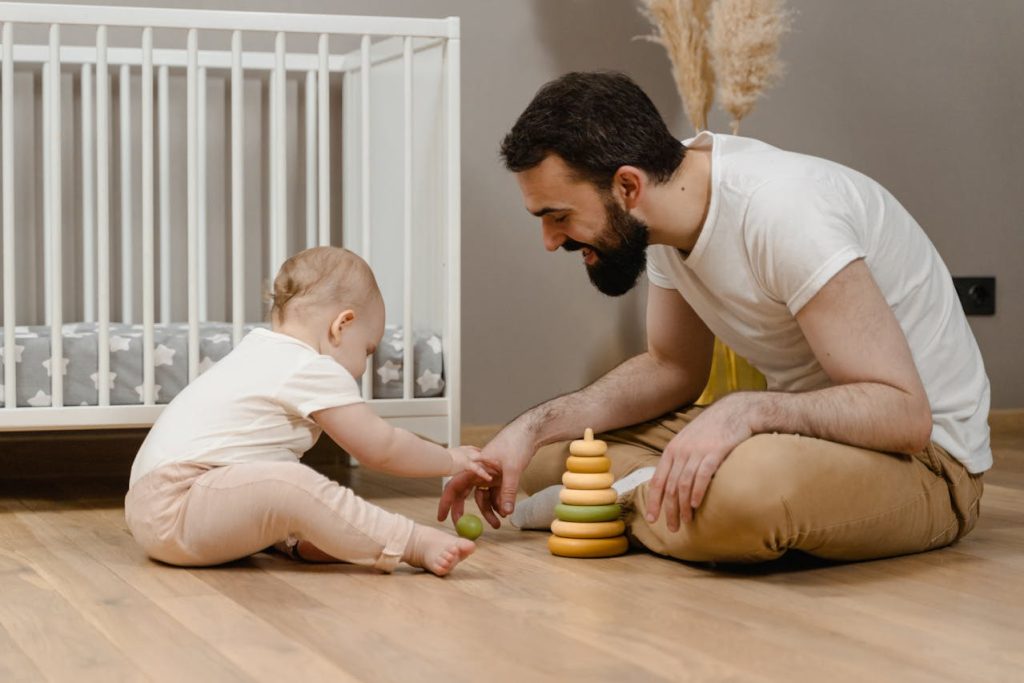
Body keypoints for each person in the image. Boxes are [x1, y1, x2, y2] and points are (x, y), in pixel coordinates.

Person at [439, 71, 991, 564]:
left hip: (926, 461)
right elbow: (670, 367)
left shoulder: (785, 212)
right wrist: (525, 430)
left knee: (739, 497)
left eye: (558, 216)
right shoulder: (661, 212)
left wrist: (745, 412)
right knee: (548, 460)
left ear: (627, 186)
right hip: (812, 433)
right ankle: (640, 495)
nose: (550, 240)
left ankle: (617, 502)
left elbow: (904, 415)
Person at [126, 246, 488, 576]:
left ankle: (299, 538)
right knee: (291, 483)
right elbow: (382, 447)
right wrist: (450, 459)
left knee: (276, 478)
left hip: (153, 510)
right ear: (341, 326)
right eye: (366, 349)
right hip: (179, 505)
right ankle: (408, 541)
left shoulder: (259, 352)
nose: (362, 368)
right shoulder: (308, 365)